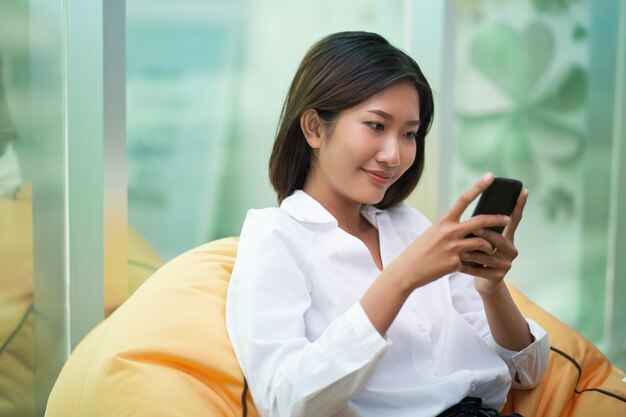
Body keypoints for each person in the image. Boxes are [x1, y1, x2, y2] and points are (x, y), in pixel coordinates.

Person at [226, 31, 549, 417]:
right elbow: (286, 402)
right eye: (376, 126)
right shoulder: (277, 236)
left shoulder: (412, 227)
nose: (394, 155)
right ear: (313, 128)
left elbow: (528, 373)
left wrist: (491, 289)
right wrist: (400, 280)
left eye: (409, 133)